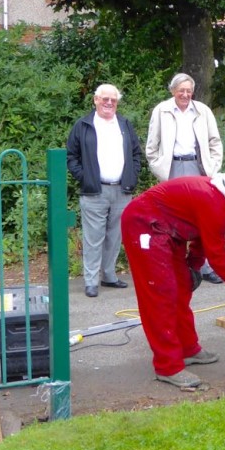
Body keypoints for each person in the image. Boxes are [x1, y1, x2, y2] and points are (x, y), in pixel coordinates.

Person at [121, 174, 225, 388]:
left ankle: (187, 349)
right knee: (160, 297)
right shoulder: (218, 203)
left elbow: (203, 237)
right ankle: (168, 367)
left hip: (168, 230)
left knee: (181, 288)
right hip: (144, 224)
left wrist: (192, 266)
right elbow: (218, 258)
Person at [144, 72, 225, 284]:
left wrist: (212, 168)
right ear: (173, 91)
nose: (185, 94)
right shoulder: (161, 110)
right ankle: (178, 266)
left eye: (189, 90)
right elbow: (151, 147)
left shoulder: (203, 111)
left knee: (203, 218)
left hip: (198, 169)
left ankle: (204, 267)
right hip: (172, 170)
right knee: (174, 220)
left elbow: (215, 142)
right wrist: (161, 170)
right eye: (181, 90)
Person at [66, 84, 144, 298]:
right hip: (94, 191)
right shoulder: (83, 125)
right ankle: (91, 281)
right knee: (93, 238)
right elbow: (71, 156)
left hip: (122, 190)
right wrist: (85, 178)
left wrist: (132, 176)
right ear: (95, 100)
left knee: (115, 236)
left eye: (113, 100)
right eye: (104, 99)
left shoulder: (125, 124)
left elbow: (136, 154)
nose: (109, 103)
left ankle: (109, 275)